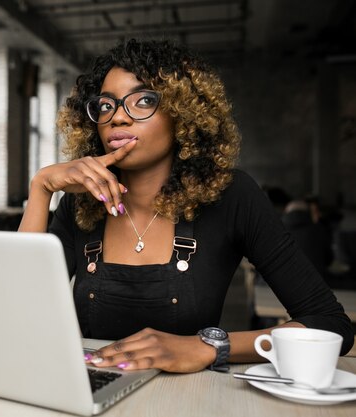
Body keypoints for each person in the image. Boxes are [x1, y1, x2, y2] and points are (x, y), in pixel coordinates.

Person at [18, 39, 353, 373]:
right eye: (106, 106)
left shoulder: (232, 196)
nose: (117, 117)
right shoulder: (81, 203)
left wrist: (209, 346)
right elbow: (18, 314)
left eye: (144, 100)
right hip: (92, 390)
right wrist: (41, 187)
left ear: (183, 113)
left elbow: (329, 324)